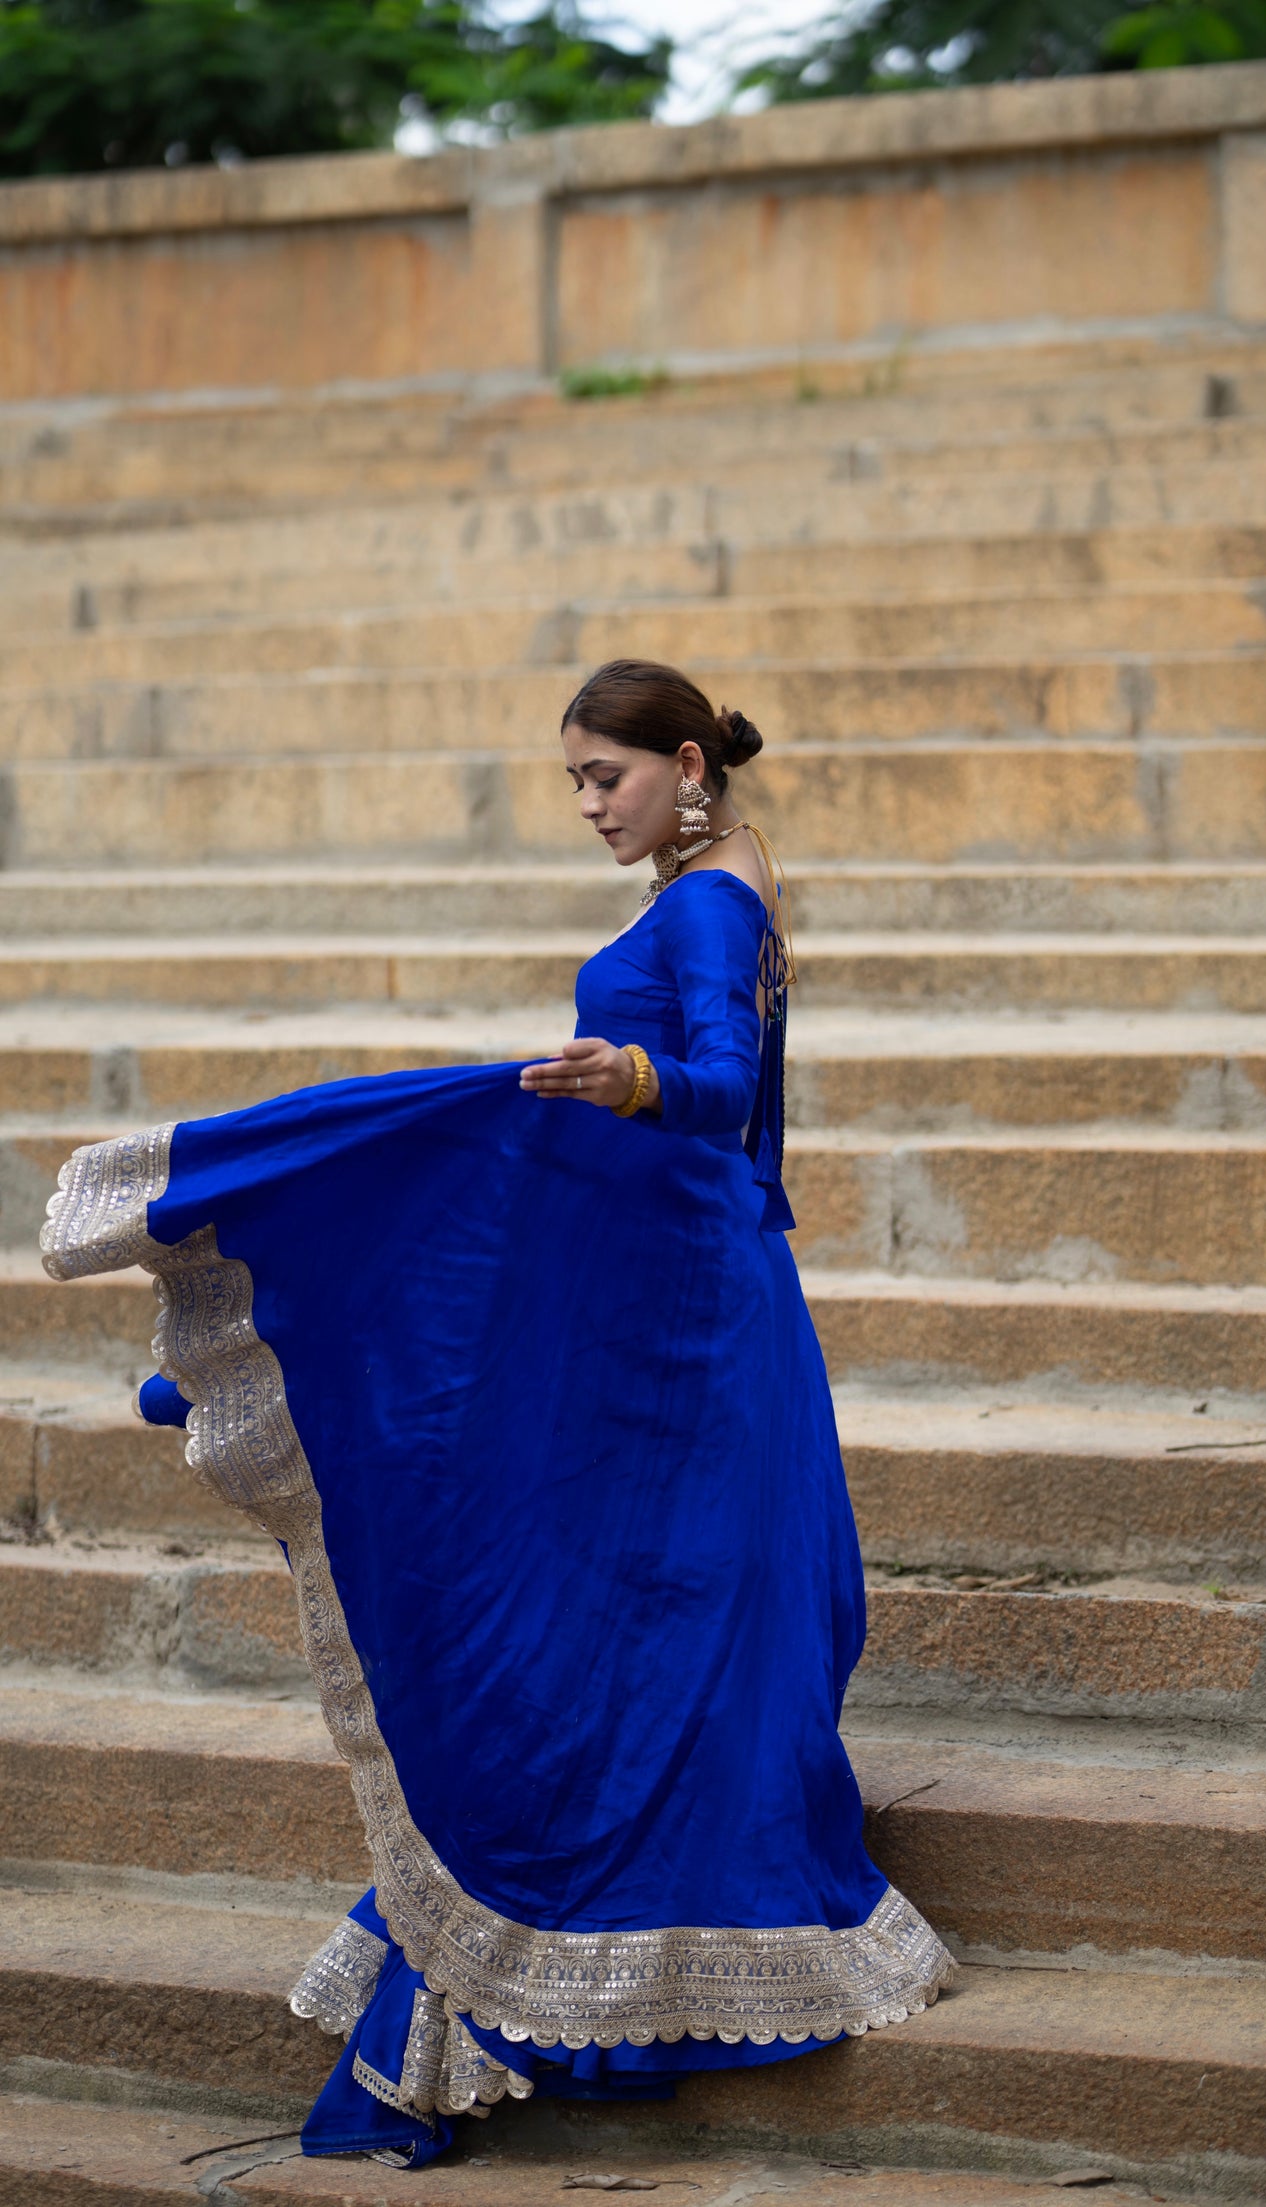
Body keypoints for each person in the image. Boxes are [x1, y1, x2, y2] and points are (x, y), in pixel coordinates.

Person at [42, 659, 952, 2169]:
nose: (590, 807)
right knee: (656, 1607)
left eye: (607, 778)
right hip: (689, 1284)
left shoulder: (715, 901)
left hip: (695, 1311)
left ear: (684, 763)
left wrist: (632, 1075)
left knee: (641, 1606)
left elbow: (730, 1090)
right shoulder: (725, 879)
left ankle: (641, 1913)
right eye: (576, 785)